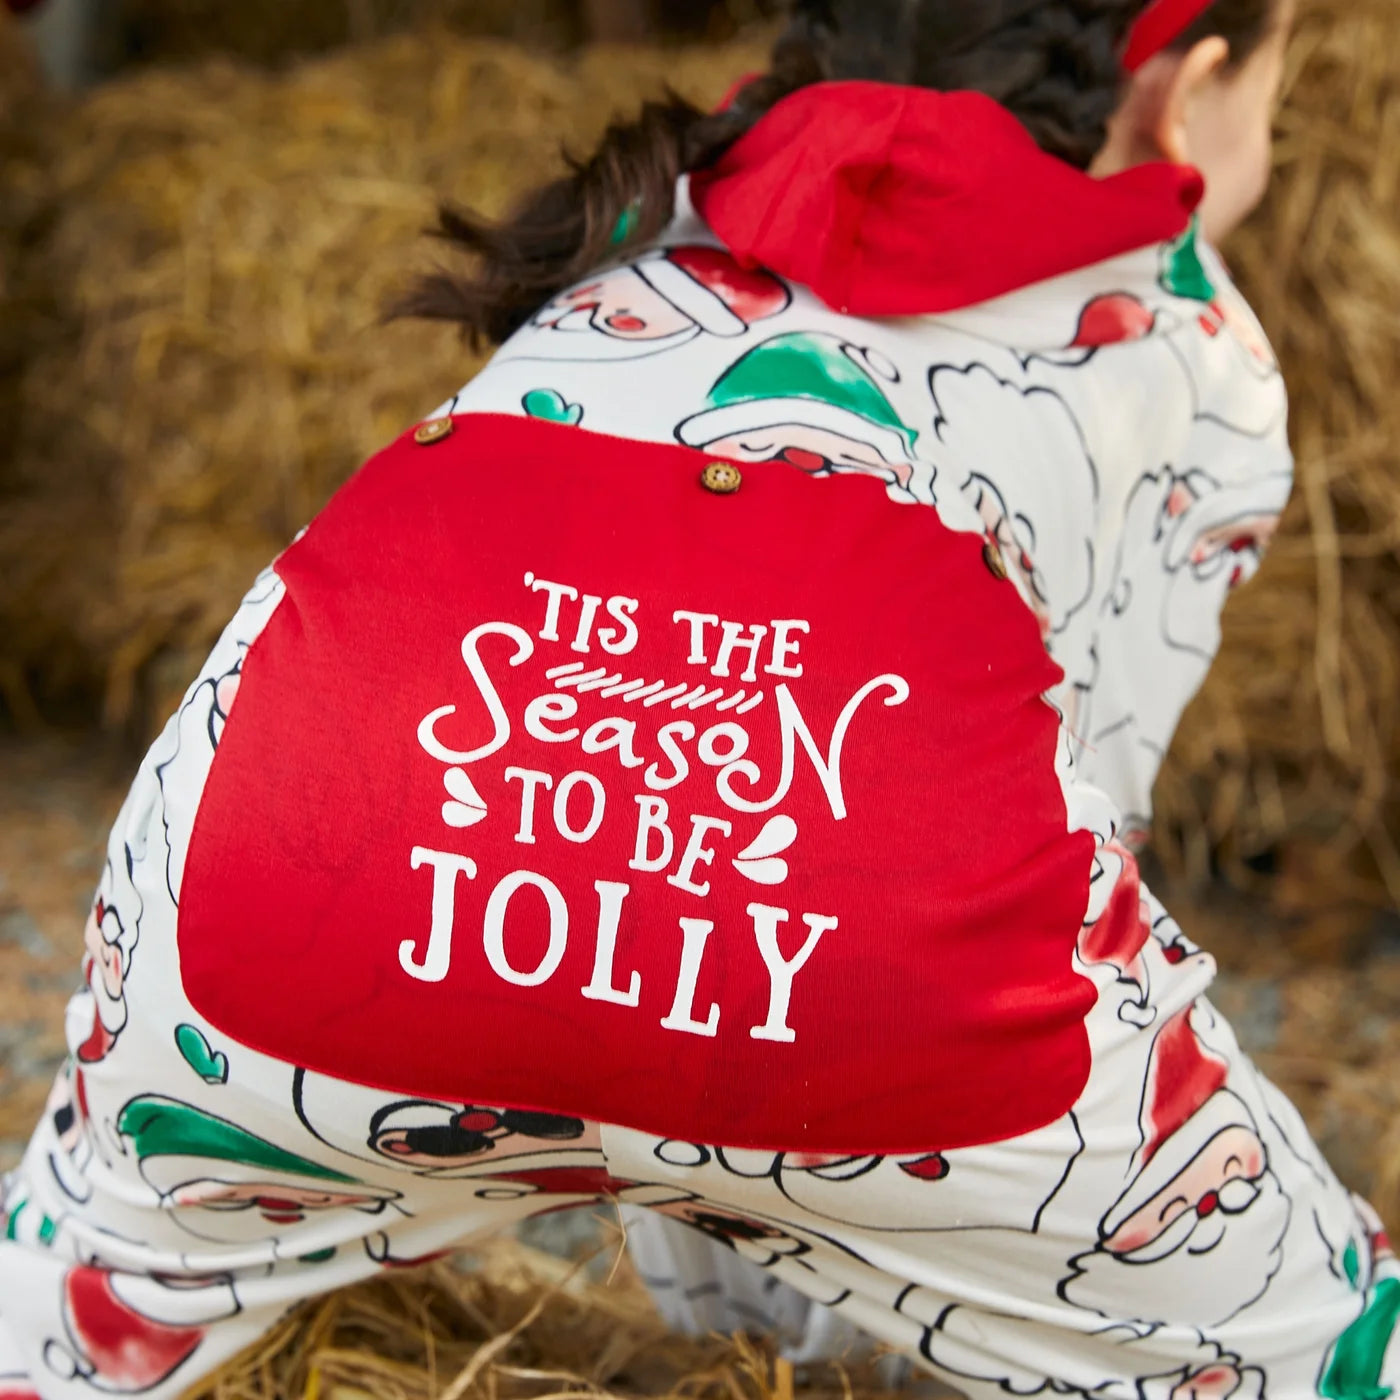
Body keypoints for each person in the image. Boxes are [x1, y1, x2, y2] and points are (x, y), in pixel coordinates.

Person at [2, 2, 1395, 1398]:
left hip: (283, 899)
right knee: (1334, 1358)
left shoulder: (643, 220)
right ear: (1194, 87)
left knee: (57, 1322)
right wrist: (778, 1233)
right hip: (855, 974)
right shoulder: (1192, 337)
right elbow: (1082, 800)